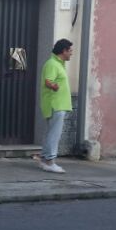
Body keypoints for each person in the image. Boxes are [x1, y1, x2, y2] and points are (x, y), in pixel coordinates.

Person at [39, 38, 74, 174]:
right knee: (54, 134)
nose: (71, 53)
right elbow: (48, 81)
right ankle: (50, 162)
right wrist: (53, 85)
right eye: (70, 51)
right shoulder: (53, 64)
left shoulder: (58, 64)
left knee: (50, 133)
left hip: (58, 105)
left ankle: (44, 160)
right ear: (63, 51)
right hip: (55, 105)